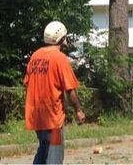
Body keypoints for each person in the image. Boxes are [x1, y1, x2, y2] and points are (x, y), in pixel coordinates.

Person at [24, 21, 85, 164]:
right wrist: (79, 110)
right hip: (53, 117)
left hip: (37, 117)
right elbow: (70, 90)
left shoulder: (35, 56)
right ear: (61, 38)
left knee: (44, 150)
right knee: (54, 158)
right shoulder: (60, 58)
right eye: (65, 36)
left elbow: (27, 83)